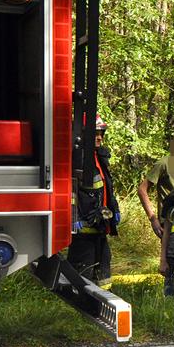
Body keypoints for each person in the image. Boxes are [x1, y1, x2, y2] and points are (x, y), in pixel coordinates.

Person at [68, 114, 120, 289]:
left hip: (99, 228)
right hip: (84, 231)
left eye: (101, 133)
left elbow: (107, 188)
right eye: (95, 133)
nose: (99, 137)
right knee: (82, 276)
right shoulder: (77, 159)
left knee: (103, 275)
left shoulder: (99, 157)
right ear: (83, 134)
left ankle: (102, 304)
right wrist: (73, 221)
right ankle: (78, 310)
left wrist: (114, 209)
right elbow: (70, 192)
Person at [138, 155, 174, 294]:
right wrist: (153, 219)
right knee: (169, 263)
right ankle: (171, 298)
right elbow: (142, 189)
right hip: (168, 224)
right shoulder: (164, 163)